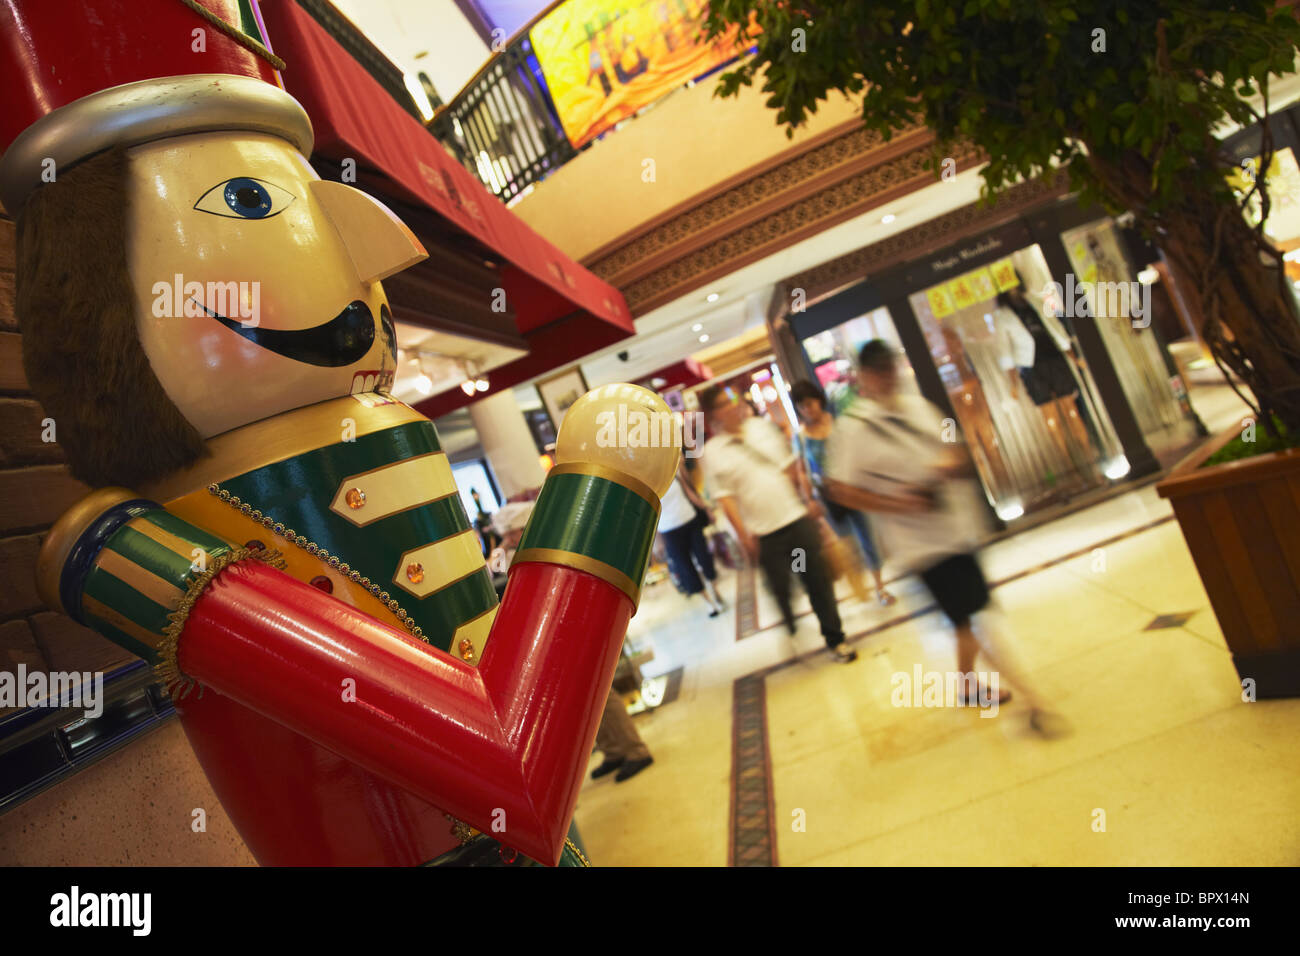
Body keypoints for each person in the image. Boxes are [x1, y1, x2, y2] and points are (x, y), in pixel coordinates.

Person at [824, 340, 1066, 733]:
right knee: (974, 615)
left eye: (891, 369)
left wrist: (949, 463)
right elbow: (840, 490)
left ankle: (968, 686)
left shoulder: (920, 406)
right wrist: (900, 503)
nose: (888, 377)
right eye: (879, 372)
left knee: (966, 619)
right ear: (864, 378)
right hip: (919, 546)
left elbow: (951, 444)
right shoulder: (852, 429)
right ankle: (1032, 701)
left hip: (956, 528)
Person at [699, 384, 857, 663]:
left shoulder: (761, 428)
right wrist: (744, 536)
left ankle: (835, 639)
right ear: (714, 415)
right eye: (725, 403)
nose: (733, 404)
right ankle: (791, 625)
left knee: (815, 580)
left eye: (733, 398)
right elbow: (727, 499)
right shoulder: (713, 451)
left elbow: (790, 468)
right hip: (765, 536)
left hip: (795, 522)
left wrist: (808, 501)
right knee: (781, 589)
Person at [789, 379, 895, 607]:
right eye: (802, 406)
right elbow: (802, 472)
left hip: (854, 489)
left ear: (819, 400)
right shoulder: (800, 438)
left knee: (868, 540)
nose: (808, 409)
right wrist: (809, 501)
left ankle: (880, 587)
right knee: (846, 545)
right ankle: (858, 584)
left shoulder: (839, 423)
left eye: (810, 403)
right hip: (827, 498)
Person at [657, 461, 726, 616]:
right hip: (668, 531)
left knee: (704, 558)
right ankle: (709, 603)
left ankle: (714, 589)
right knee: (685, 567)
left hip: (690, 521)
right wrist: (658, 542)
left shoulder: (672, 473)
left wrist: (706, 509)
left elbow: (689, 493)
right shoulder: (649, 485)